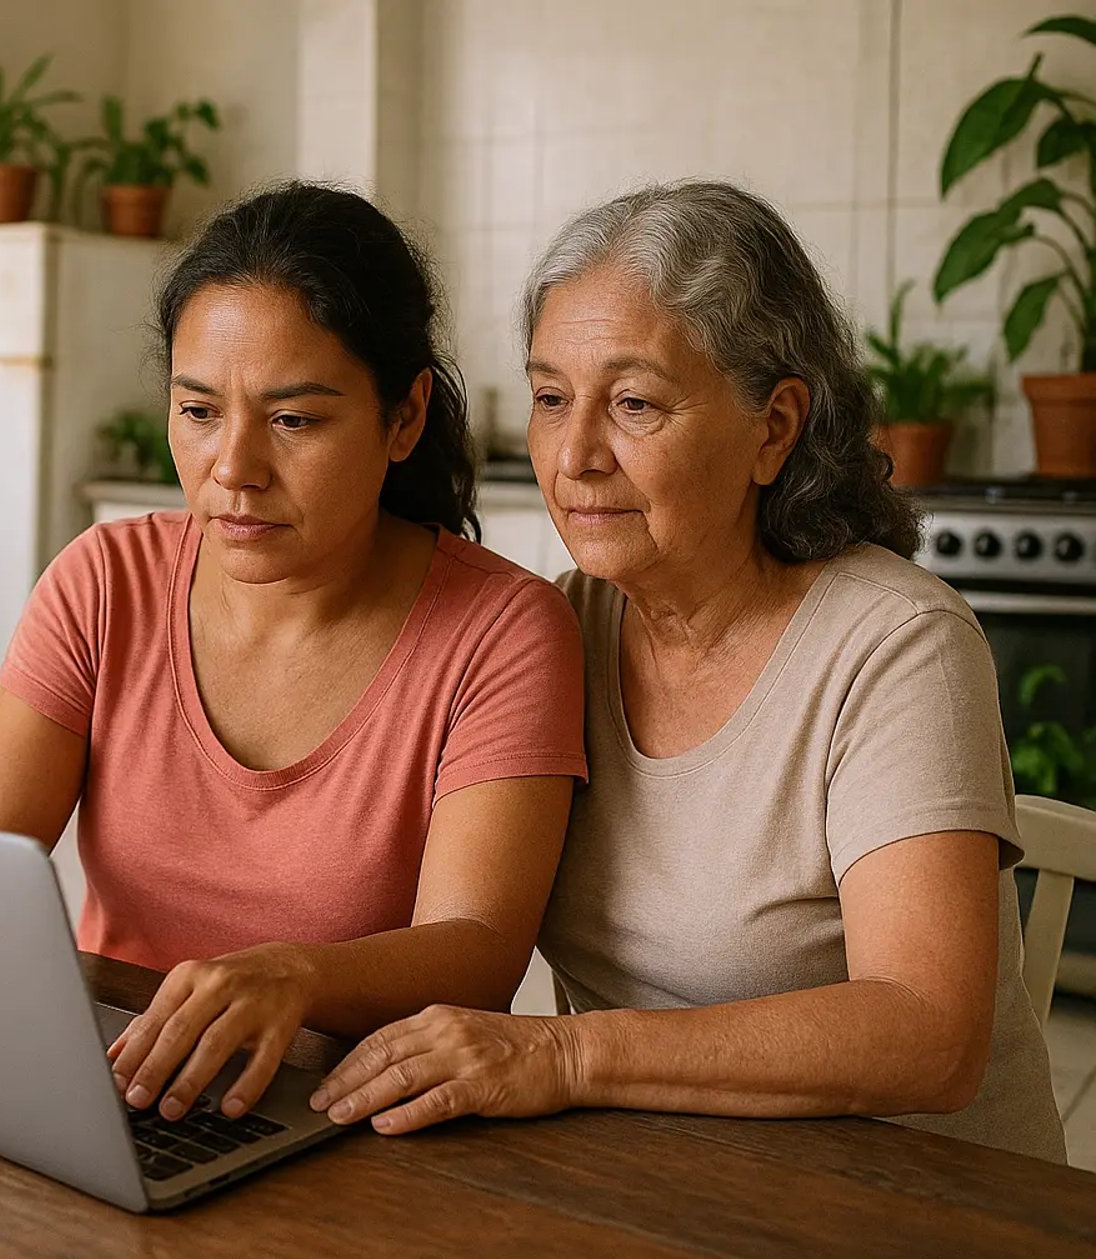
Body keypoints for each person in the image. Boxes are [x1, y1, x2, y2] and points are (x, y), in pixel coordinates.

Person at [312, 179, 1065, 1162]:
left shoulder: (894, 643)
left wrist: (567, 1056)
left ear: (773, 427)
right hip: (665, 1188)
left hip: (921, 1212)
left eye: (634, 402)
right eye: (550, 397)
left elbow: (931, 1032)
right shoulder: (548, 630)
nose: (575, 454)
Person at [0, 181, 587, 1123]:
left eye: (293, 420)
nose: (233, 469)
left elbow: (479, 948)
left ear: (403, 419)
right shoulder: (104, 581)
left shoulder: (503, 632)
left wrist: (297, 978)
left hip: (346, 1114)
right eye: (199, 412)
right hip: (111, 1087)